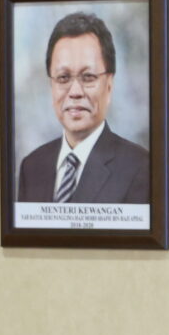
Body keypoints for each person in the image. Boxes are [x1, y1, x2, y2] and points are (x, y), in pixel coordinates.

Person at [15, 13, 151, 204]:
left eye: (88, 77)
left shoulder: (140, 167)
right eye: (63, 78)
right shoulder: (32, 167)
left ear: (109, 85)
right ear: (51, 86)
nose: (75, 92)